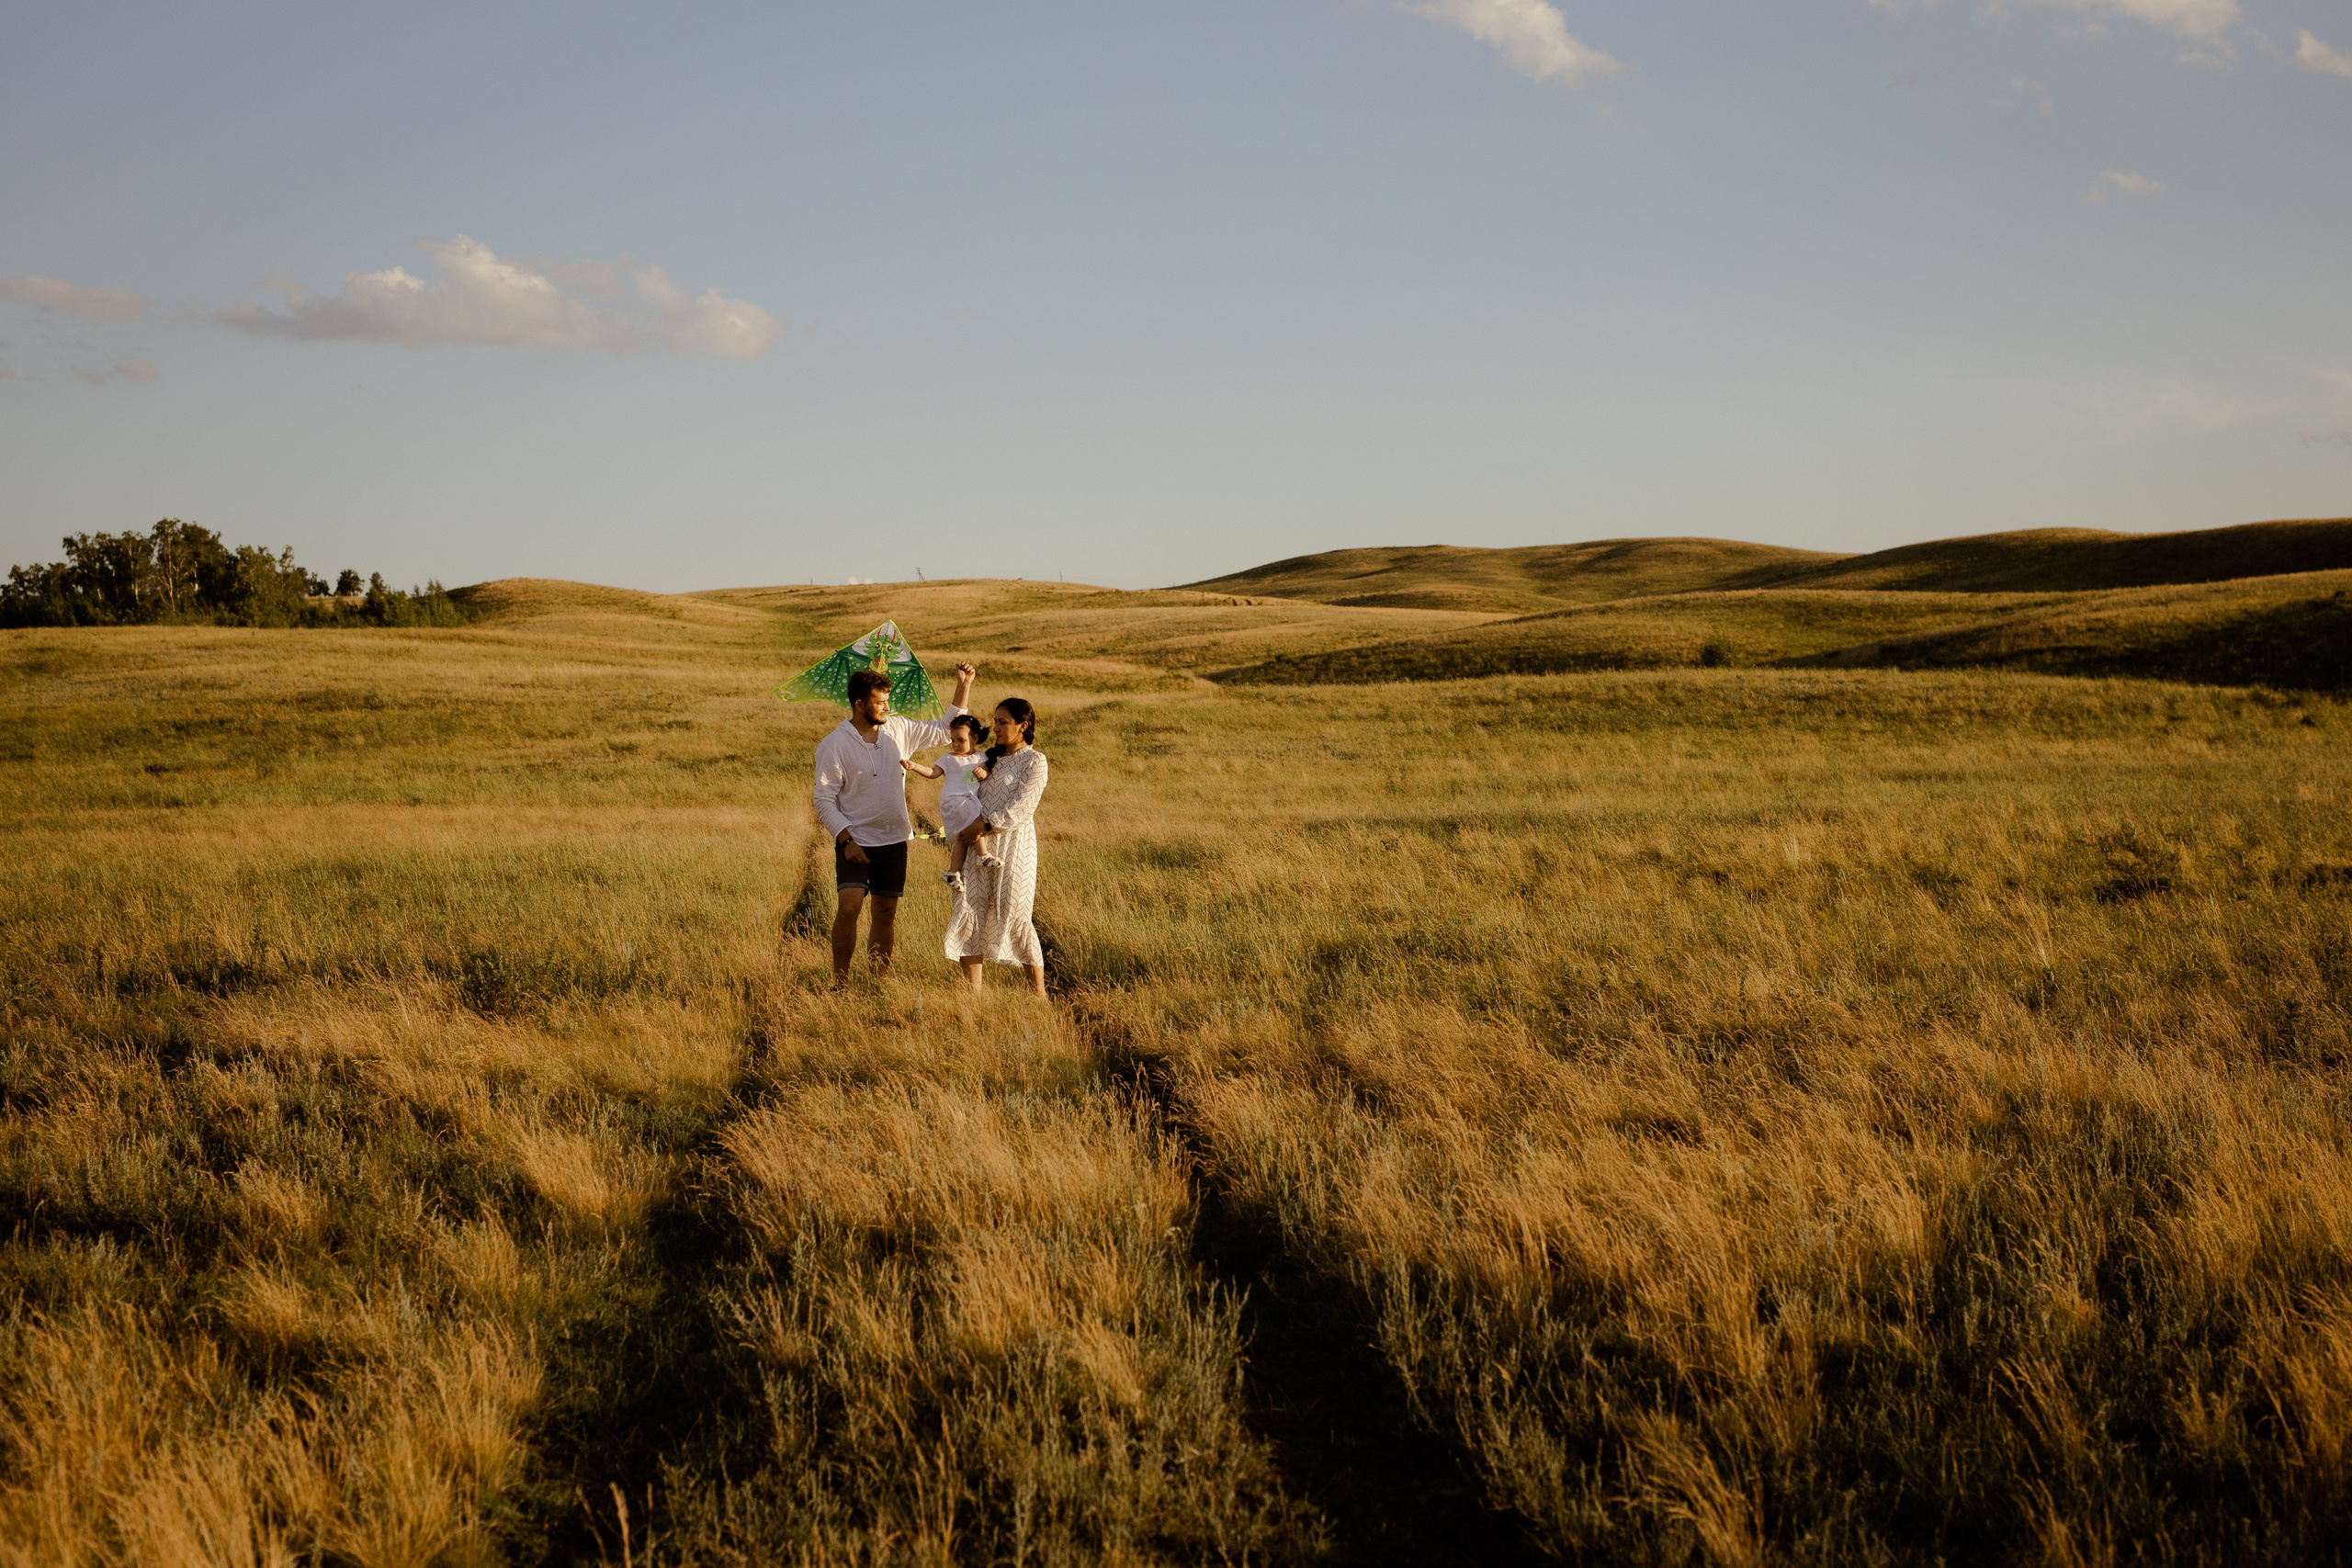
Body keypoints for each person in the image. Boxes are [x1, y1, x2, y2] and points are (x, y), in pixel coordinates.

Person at [812, 660, 978, 987]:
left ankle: (878, 982)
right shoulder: (834, 745)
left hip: (894, 839)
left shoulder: (899, 728)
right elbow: (823, 799)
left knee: (886, 913)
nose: (887, 708)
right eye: (880, 702)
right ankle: (840, 983)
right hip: (855, 841)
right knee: (849, 909)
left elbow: (945, 729)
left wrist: (964, 684)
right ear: (859, 704)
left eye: (888, 701)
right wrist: (846, 840)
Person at [943, 698, 1049, 995]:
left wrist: (986, 825)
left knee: (1016, 913)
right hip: (976, 846)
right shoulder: (985, 759)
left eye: (1003, 722)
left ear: (1022, 726)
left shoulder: (1035, 761)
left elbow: (1022, 808)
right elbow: (960, 791)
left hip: (1015, 848)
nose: (997, 727)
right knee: (970, 911)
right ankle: (974, 996)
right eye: (996, 721)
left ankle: (1038, 995)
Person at [900, 713, 1001, 888]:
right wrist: (914, 766)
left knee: (963, 837)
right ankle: (983, 856)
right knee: (977, 821)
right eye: (953, 740)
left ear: (974, 738)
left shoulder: (980, 757)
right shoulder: (948, 758)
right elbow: (933, 773)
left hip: (968, 800)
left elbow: (986, 773)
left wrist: (983, 773)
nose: (955, 744)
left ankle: (952, 873)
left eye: (961, 740)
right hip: (955, 801)